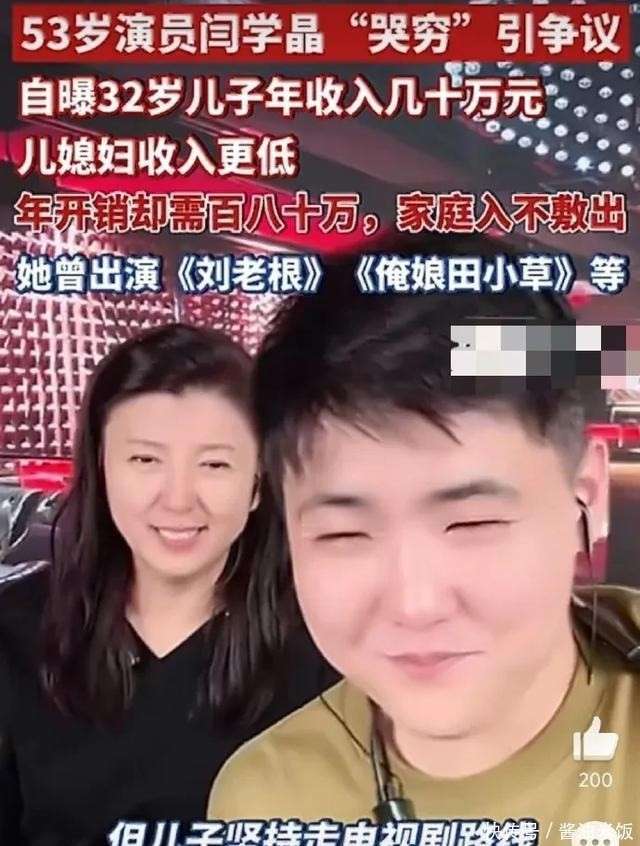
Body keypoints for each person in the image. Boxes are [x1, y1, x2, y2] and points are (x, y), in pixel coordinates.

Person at [208, 236, 640, 831]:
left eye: (473, 522)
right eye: (343, 534)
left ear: (584, 496)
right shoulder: (266, 800)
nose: (416, 604)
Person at [0, 323, 337, 846]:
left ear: (257, 485)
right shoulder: (15, 630)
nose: (178, 500)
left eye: (214, 464)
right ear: (101, 470)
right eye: (145, 460)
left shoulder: (326, 640)